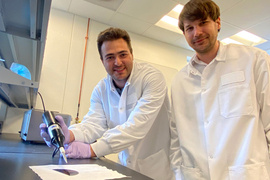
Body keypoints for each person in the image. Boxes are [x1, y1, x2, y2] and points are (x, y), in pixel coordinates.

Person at [40, 27, 174, 180]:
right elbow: (94, 124)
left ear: (132, 54)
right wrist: (69, 135)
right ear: (102, 60)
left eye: (123, 54)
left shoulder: (152, 79)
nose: (117, 62)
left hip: (156, 170)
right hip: (125, 166)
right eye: (110, 57)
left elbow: (137, 126)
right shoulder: (101, 89)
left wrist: (92, 149)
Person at [170, 0, 270, 179]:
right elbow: (175, 135)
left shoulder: (254, 59)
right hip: (195, 175)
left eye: (203, 23)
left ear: (217, 23)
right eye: (189, 28)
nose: (197, 32)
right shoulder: (179, 80)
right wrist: (179, 172)